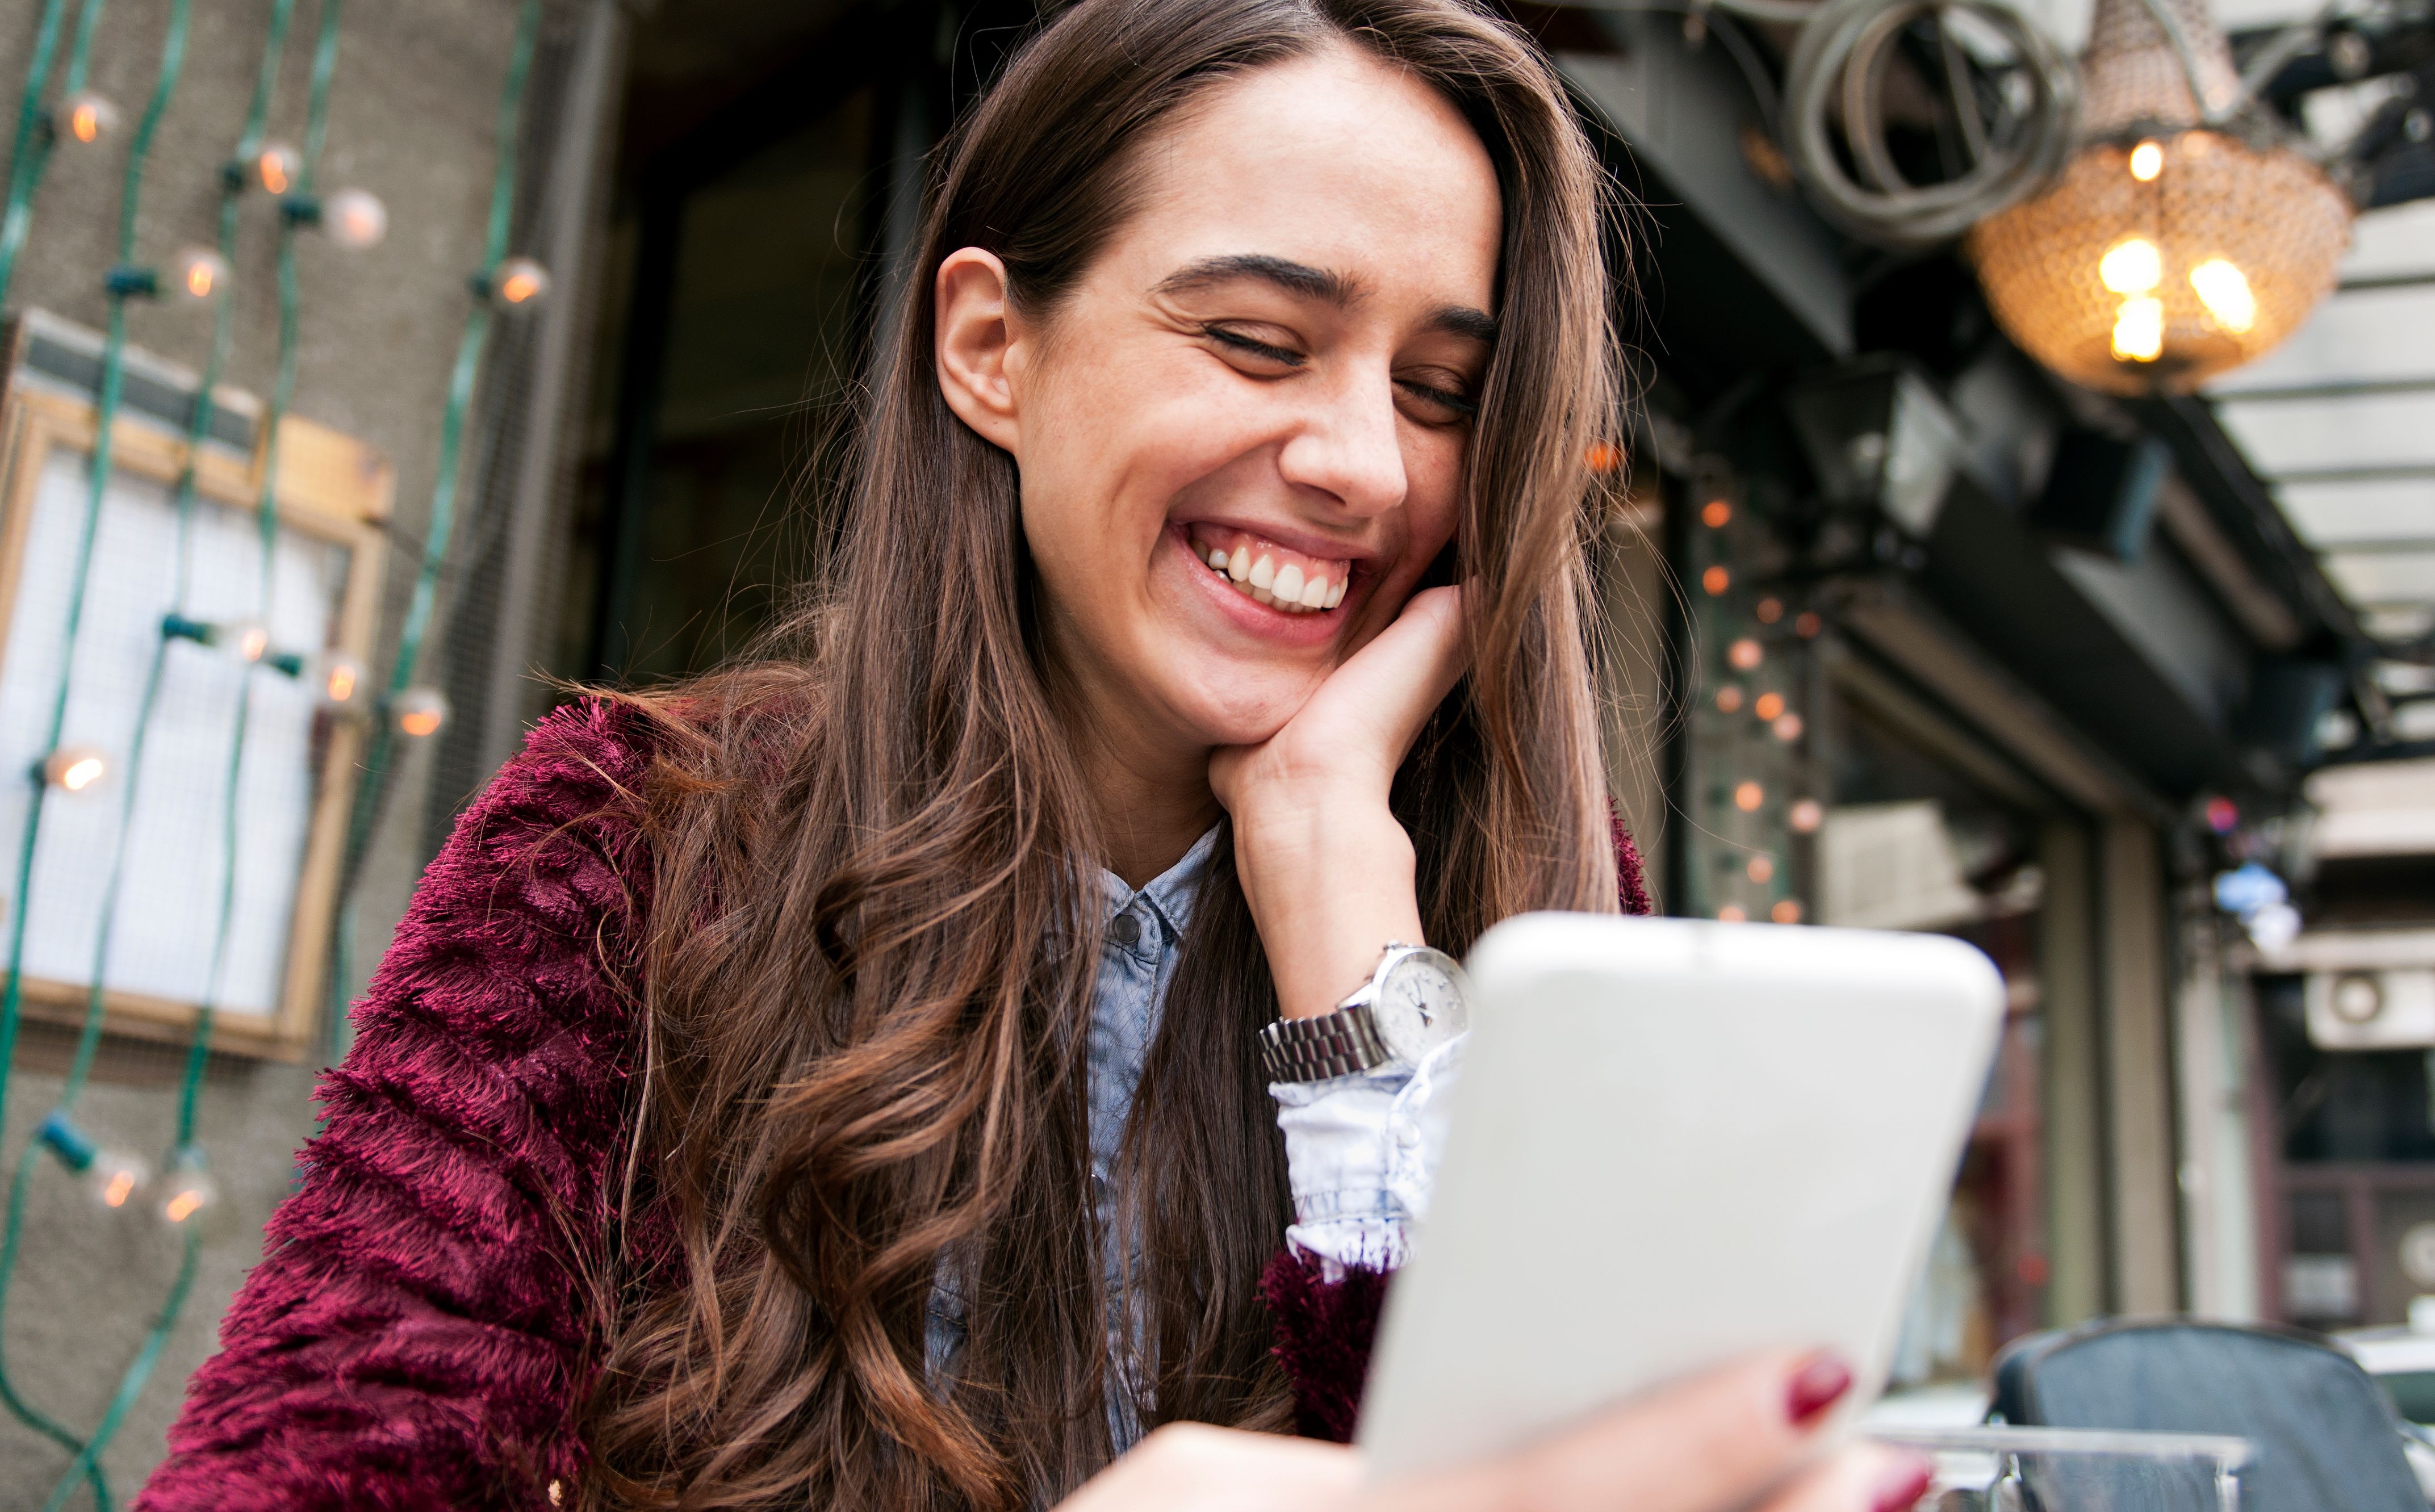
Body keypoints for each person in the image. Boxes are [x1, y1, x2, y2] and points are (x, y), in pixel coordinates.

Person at [135, 1, 1932, 1509]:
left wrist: (1355, 957)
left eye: (1443, 391)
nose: (1370, 468)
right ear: (993, 347)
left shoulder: (1529, 904)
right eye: (1255, 340)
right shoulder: (628, 847)